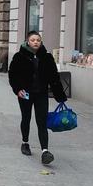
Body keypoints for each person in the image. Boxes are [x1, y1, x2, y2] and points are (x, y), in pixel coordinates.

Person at [8, 30, 67, 165]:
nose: (36, 42)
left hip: (41, 94)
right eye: (33, 40)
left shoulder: (47, 57)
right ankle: (25, 142)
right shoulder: (19, 56)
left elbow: (54, 78)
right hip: (25, 94)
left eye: (38, 40)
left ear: (41, 42)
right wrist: (17, 90)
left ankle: (45, 151)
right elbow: (12, 75)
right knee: (26, 118)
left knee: (42, 121)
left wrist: (60, 96)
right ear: (28, 41)